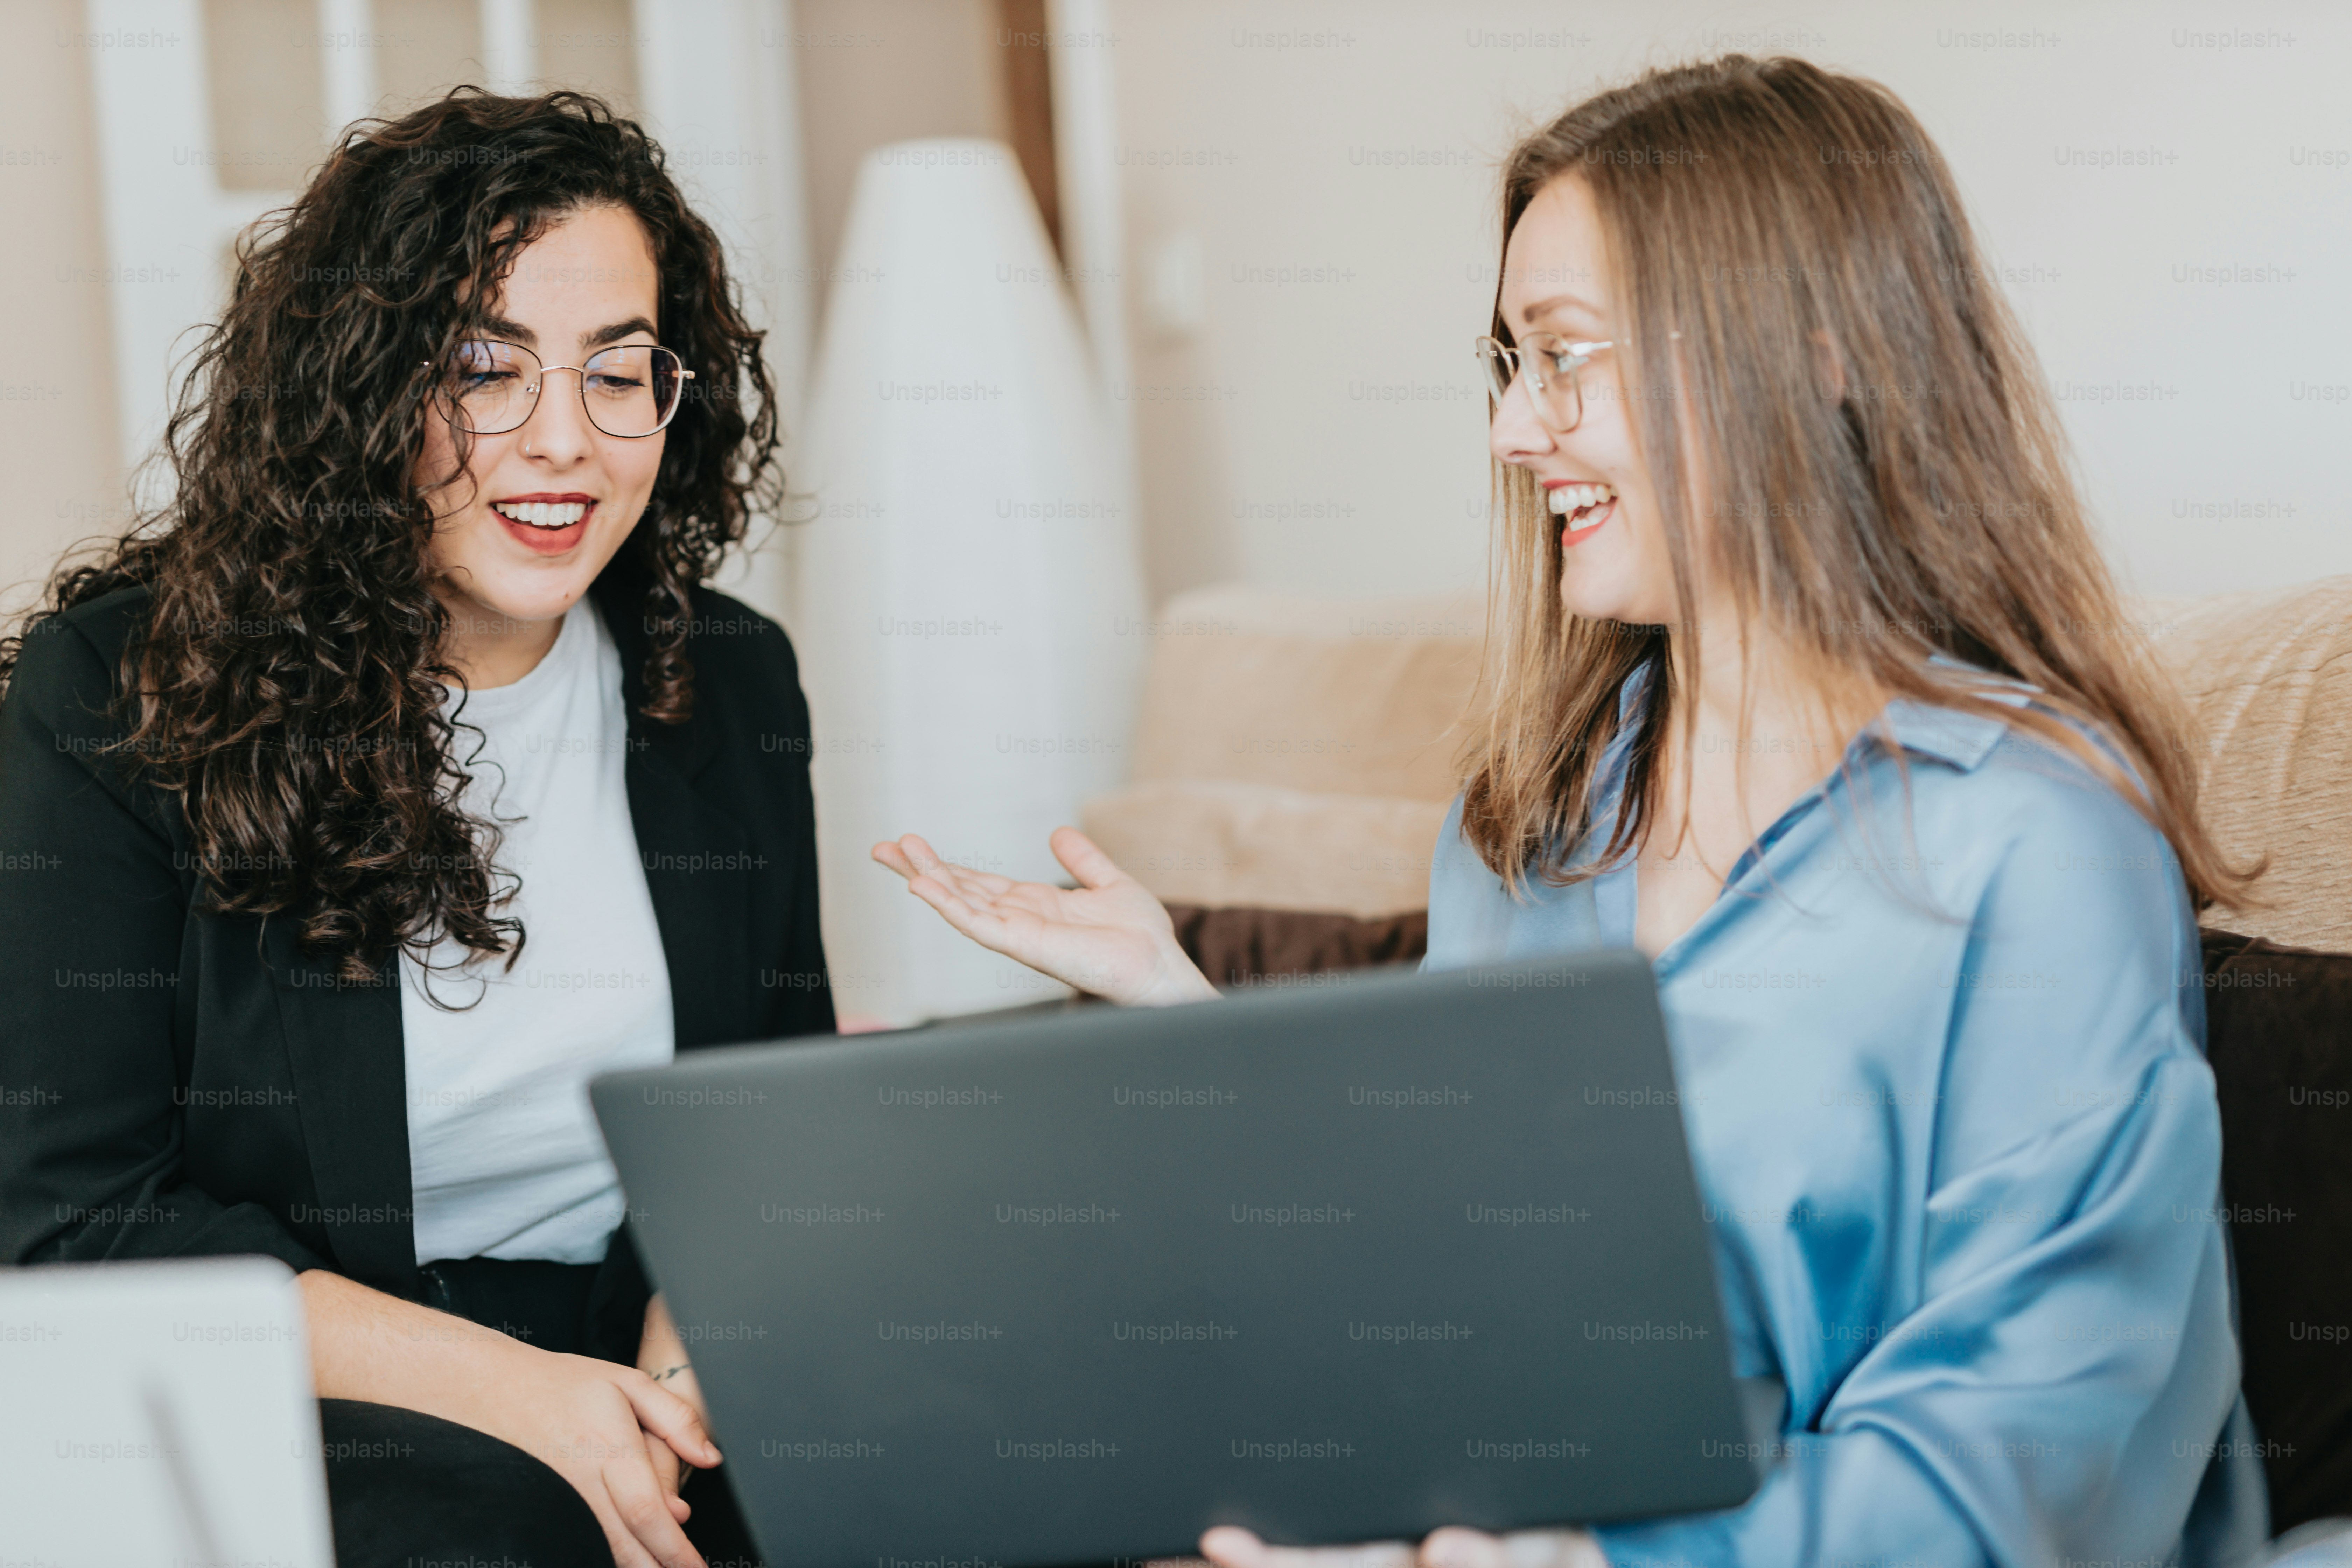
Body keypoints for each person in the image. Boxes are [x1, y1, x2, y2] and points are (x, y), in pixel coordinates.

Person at [875, 55, 2268, 1567]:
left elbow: (2025, 1470)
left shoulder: (2040, 844)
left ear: (1812, 353)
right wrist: (1183, 1005)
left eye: (1568, 358)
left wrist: (1583, 1559)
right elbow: (1445, 1280)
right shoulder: (1531, 828)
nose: (1513, 434)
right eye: (1509, 364)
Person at [0, 89, 829, 1568]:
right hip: (326, 1367)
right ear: (358, 387)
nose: (563, 443)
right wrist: (531, 1400)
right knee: (523, 1529)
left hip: (653, 1337)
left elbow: (766, 1117)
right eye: (480, 371)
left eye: (618, 374)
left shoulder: (729, 676)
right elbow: (76, 1216)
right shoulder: (117, 692)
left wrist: (674, 1388)